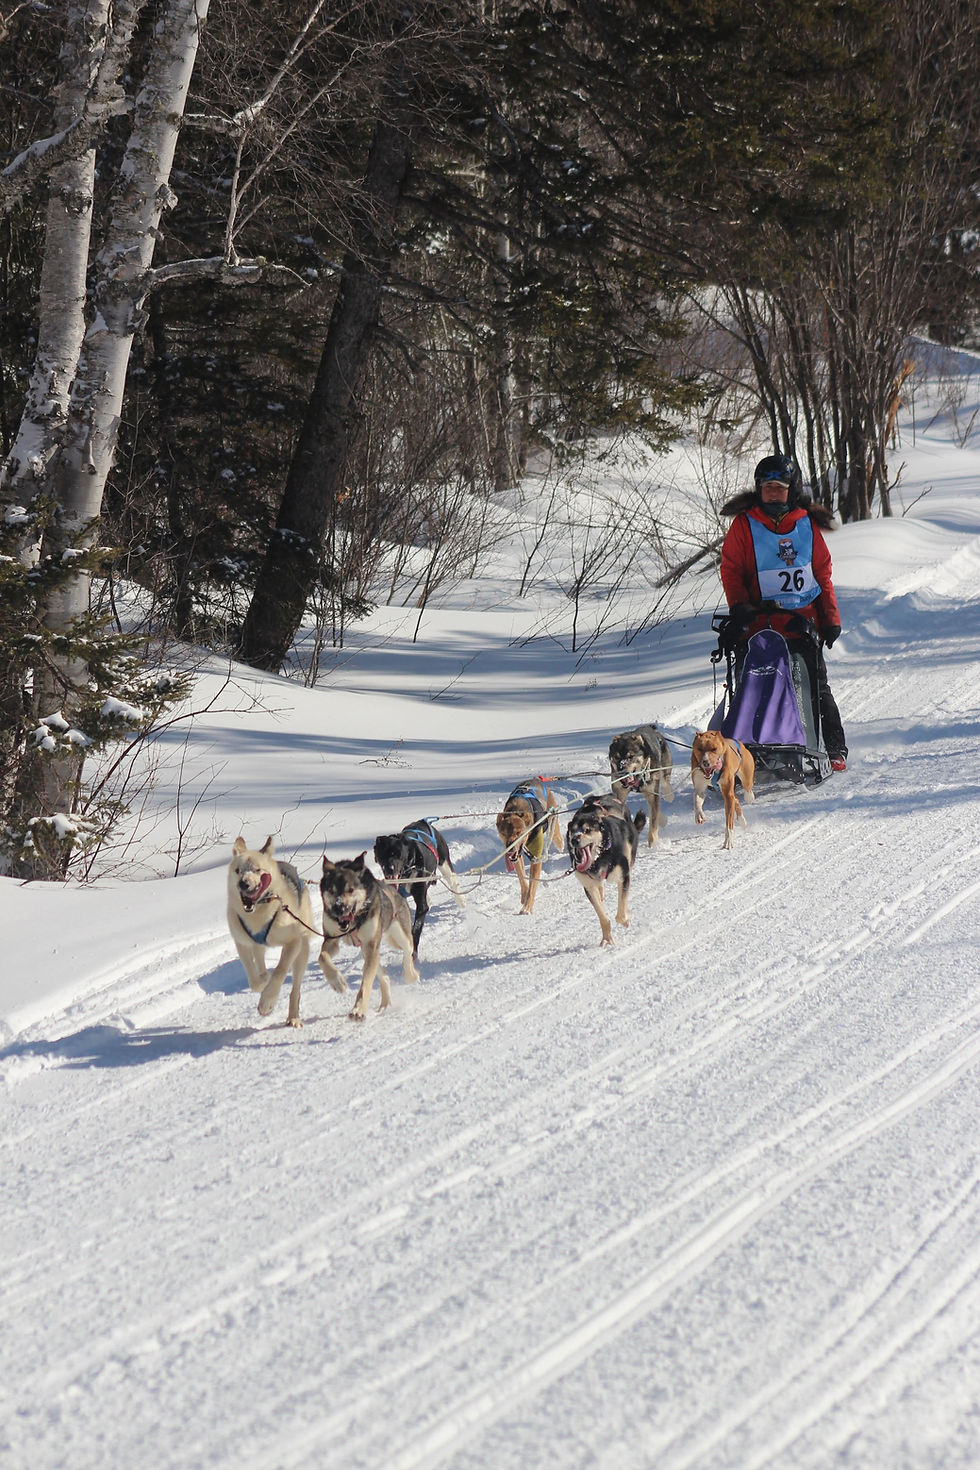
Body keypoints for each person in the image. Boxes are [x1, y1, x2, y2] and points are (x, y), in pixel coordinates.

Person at [719, 453, 848, 771]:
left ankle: (832, 748)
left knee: (814, 686)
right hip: (757, 625)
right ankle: (749, 750)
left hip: (802, 624)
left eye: (780, 488)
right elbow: (731, 570)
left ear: (792, 490)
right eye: (768, 488)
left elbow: (822, 573)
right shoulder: (744, 525)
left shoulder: (806, 524)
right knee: (752, 685)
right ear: (759, 490)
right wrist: (739, 608)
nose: (774, 494)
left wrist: (830, 619)